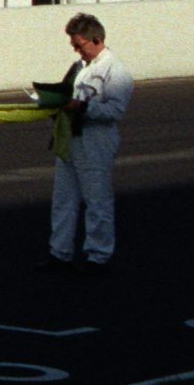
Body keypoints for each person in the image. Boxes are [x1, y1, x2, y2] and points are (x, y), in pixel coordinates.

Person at [45, 14, 133, 274]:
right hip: (70, 137)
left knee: (97, 199)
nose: (76, 50)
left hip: (96, 140)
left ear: (97, 40)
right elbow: (65, 92)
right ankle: (59, 253)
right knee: (63, 198)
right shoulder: (78, 67)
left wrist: (82, 106)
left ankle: (98, 255)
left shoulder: (116, 72)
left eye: (79, 44)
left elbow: (115, 111)